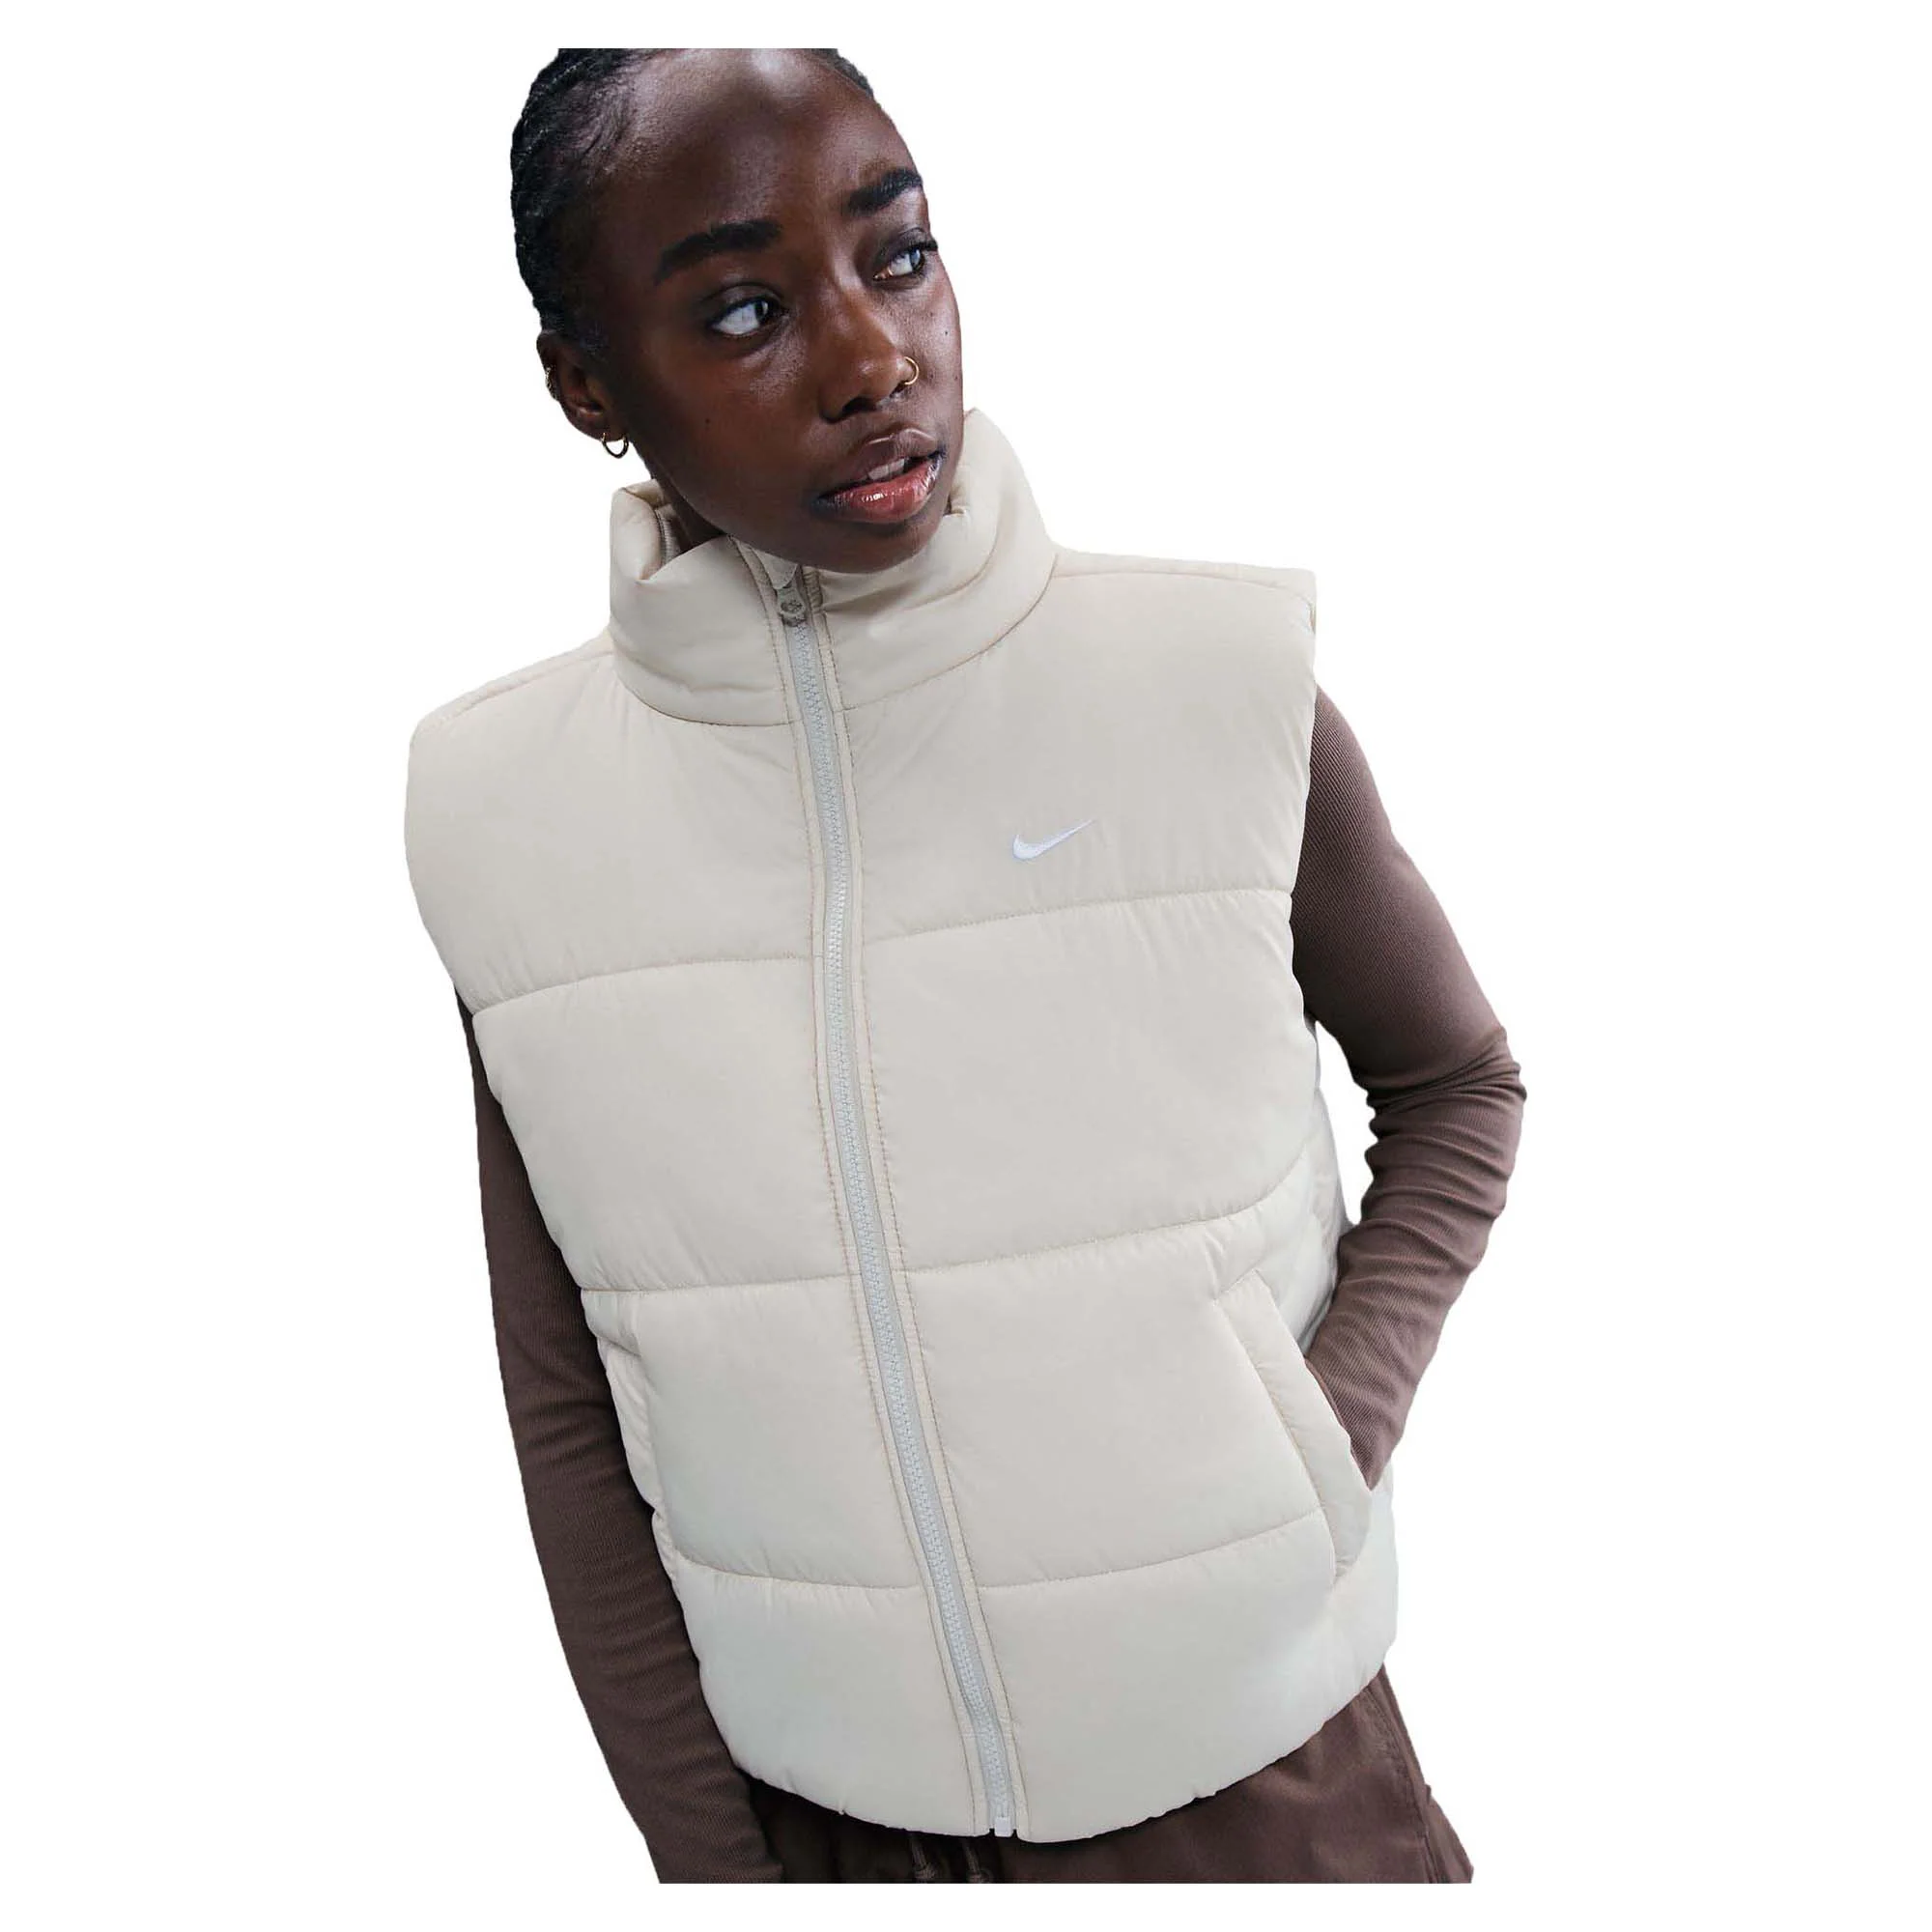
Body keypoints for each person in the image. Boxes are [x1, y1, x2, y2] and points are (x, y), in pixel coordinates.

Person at [407, 46, 1526, 1883]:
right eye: (748, 310)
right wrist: (716, 1868)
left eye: (900, 255)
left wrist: (1317, 1454)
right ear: (584, 383)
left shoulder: (1205, 686)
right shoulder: (501, 811)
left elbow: (1459, 1086)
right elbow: (571, 1404)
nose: (873, 359)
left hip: (1271, 1793)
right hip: (833, 1831)